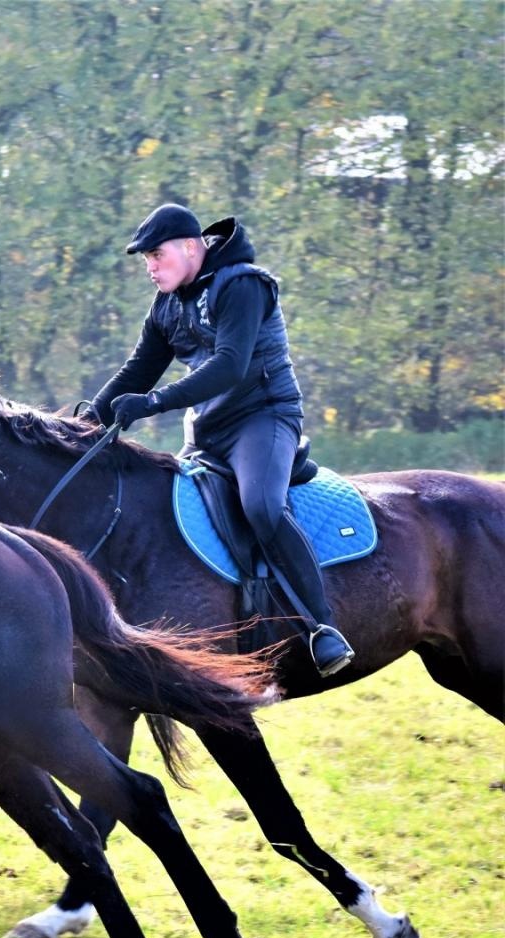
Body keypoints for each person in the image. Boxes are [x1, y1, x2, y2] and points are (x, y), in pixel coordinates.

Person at [86, 203, 354, 676]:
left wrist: (151, 404)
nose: (150, 267)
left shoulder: (243, 284)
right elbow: (139, 369)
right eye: (145, 259)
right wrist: (91, 415)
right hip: (209, 430)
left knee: (261, 506)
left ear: (191, 247)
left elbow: (230, 365)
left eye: (156, 255)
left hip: (264, 418)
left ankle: (323, 627)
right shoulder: (167, 305)